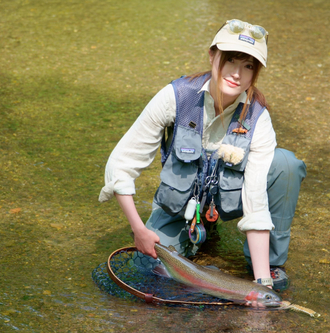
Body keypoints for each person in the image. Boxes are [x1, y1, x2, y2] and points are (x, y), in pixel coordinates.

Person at [99, 19, 306, 293]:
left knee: (286, 164)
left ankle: (270, 262)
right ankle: (191, 233)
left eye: (248, 66)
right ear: (212, 56)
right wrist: (138, 230)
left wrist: (261, 285)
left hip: (229, 199)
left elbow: (255, 203)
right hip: (179, 205)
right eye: (230, 60)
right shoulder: (175, 97)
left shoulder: (258, 118)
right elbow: (121, 165)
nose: (237, 74)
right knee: (151, 269)